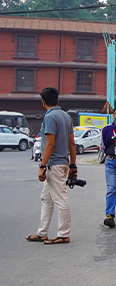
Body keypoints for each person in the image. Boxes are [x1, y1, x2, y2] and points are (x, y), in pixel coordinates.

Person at [26, 87, 77, 245]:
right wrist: (73, 165)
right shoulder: (66, 116)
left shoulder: (50, 117)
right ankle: (42, 233)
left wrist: (42, 166)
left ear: (43, 102)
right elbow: (72, 144)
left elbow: (49, 145)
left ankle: (63, 234)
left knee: (60, 199)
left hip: (53, 165)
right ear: (57, 100)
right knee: (46, 198)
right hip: (63, 163)